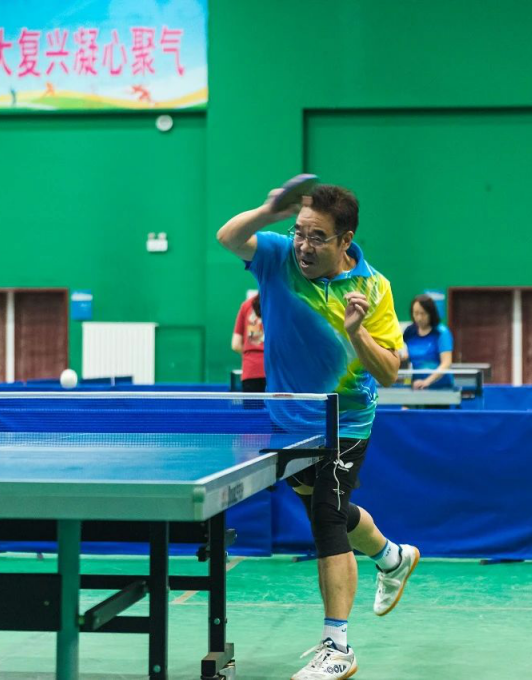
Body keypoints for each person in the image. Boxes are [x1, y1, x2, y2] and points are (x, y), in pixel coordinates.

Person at [217, 183, 419, 680]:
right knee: (328, 510)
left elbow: (390, 373)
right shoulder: (277, 258)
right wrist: (268, 212)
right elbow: (228, 237)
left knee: (326, 516)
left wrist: (357, 332)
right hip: (289, 420)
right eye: (299, 233)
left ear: (345, 239)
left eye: (317, 237)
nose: (304, 246)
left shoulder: (375, 288)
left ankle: (338, 646)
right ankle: (392, 557)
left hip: (344, 418)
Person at [401, 294, 454, 389]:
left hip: (441, 387)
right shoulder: (409, 332)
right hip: (416, 386)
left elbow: (446, 363)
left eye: (423, 313)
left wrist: (427, 382)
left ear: (431, 313)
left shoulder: (441, 333)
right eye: (416, 313)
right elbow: (402, 351)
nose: (419, 318)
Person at [232, 293, 266, 392]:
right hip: (275, 371)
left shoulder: (246, 306)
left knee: (252, 403)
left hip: (251, 371)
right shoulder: (280, 305)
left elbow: (235, 345)